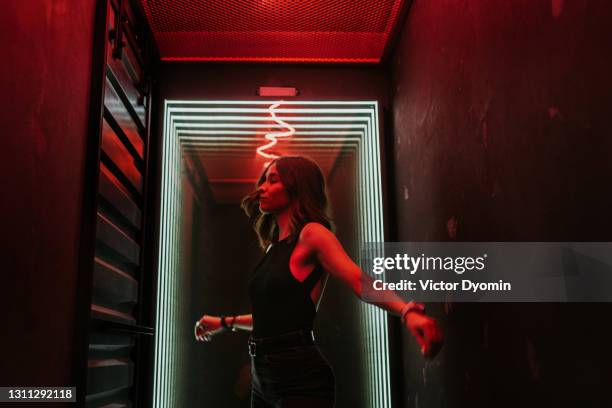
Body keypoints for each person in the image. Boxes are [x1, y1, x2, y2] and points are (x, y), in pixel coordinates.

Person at [194, 156, 443, 407]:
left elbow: (359, 280)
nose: (261, 188)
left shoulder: (312, 234)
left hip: (299, 377)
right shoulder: (273, 249)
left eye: (272, 180)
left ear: (296, 186)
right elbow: (273, 318)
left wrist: (406, 311)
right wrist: (224, 323)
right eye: (262, 181)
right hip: (262, 379)